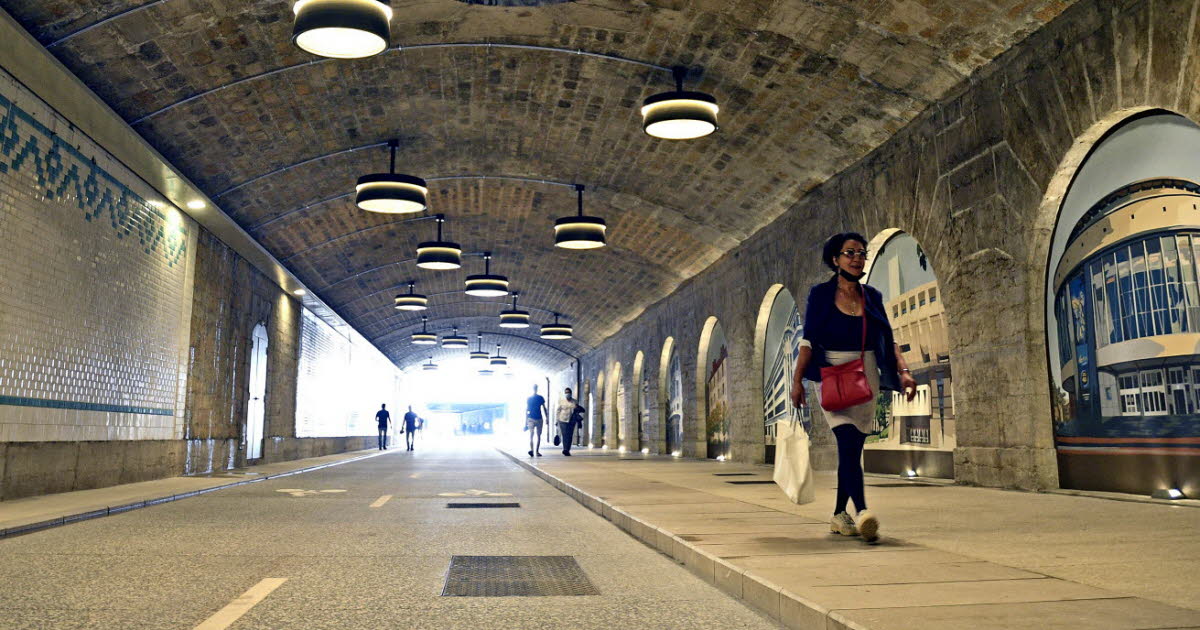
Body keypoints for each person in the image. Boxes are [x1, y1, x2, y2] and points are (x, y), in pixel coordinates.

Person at [790, 232, 917, 543]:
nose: (857, 258)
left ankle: (839, 514)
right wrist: (797, 381)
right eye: (850, 253)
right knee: (846, 440)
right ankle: (862, 512)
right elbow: (808, 339)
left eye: (861, 253)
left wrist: (904, 372)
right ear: (835, 259)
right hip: (831, 375)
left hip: (865, 374)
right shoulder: (821, 294)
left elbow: (888, 338)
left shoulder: (871, 296)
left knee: (852, 450)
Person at [556, 387, 584, 456]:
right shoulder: (561, 401)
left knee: (570, 435)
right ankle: (565, 449)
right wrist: (557, 420)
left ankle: (568, 449)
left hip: (572, 420)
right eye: (566, 392)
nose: (567, 394)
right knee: (565, 435)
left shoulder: (574, 401)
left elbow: (577, 411)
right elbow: (558, 411)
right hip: (562, 420)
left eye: (568, 392)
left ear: (571, 393)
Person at [526, 384, 548, 457]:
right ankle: (532, 450)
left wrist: (547, 418)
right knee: (532, 434)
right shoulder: (530, 398)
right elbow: (527, 410)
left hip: (537, 418)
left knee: (537, 435)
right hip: (532, 418)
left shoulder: (539, 398)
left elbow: (544, 408)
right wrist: (525, 422)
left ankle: (536, 451)